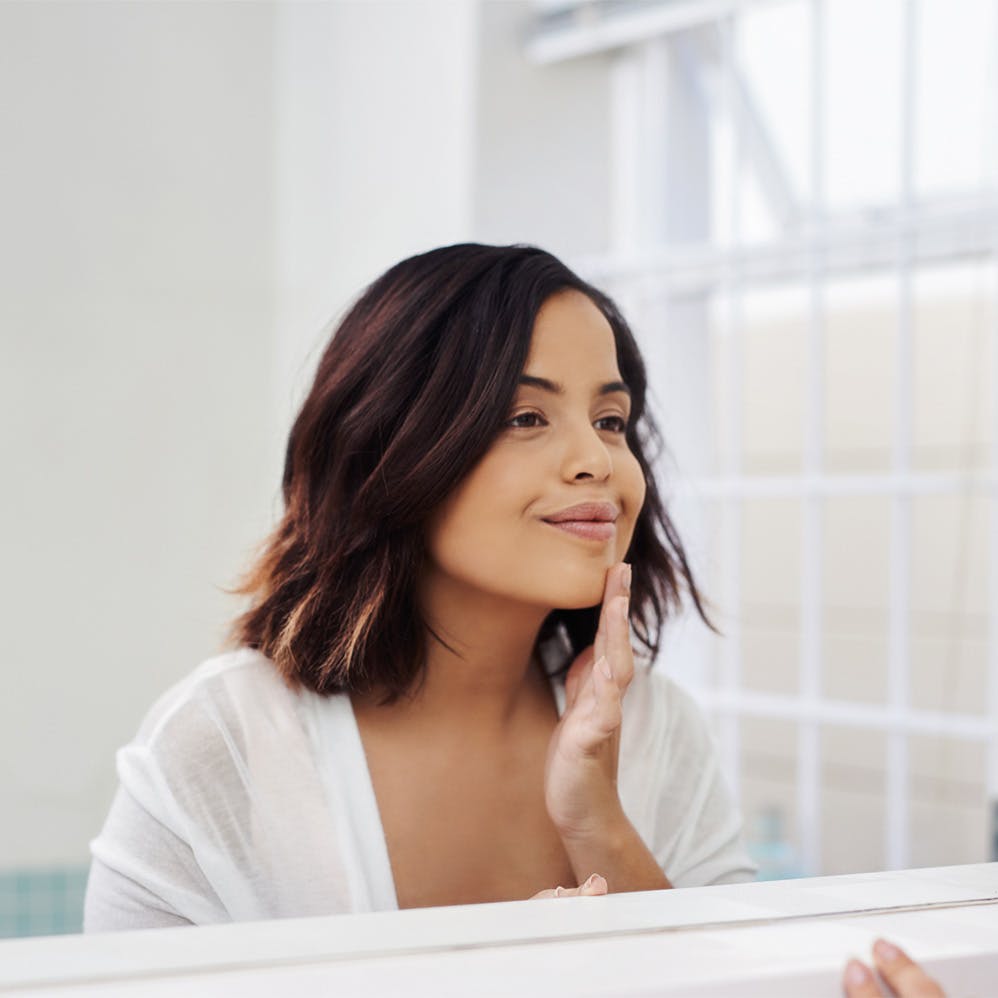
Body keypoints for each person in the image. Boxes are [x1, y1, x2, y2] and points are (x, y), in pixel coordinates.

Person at [83, 241, 757, 931]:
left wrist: (599, 826)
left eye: (610, 421)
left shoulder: (653, 731)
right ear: (393, 449)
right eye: (527, 418)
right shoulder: (223, 748)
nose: (595, 460)